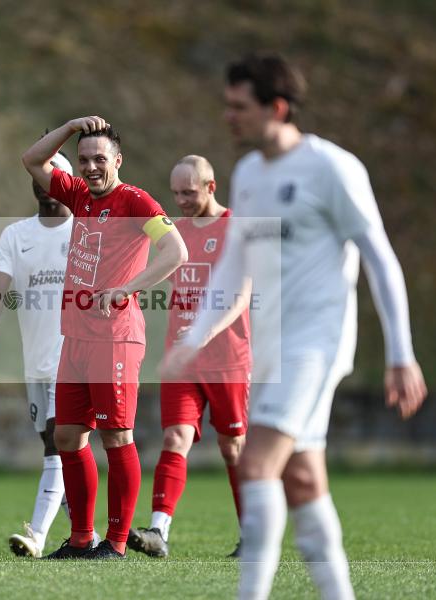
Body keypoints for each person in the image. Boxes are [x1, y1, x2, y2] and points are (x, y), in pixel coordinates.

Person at [161, 53, 428, 599]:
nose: (228, 117)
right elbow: (233, 267)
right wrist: (192, 336)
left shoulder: (332, 168)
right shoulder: (250, 173)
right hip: (271, 350)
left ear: (276, 107)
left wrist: (401, 353)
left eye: (239, 106)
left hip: (317, 345)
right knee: (302, 481)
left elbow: (379, 258)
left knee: (257, 462)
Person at [22, 116, 187, 559]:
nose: (91, 167)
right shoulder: (77, 194)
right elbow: (32, 159)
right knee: (68, 437)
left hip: (115, 337)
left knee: (117, 436)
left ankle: (114, 544)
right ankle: (81, 538)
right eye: (84, 160)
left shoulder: (135, 201)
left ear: (118, 160)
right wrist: (72, 125)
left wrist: (127, 288)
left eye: (100, 159)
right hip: (74, 335)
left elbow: (176, 251)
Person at [0, 152, 100, 557]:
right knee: (53, 442)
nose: (44, 184)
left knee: (57, 444)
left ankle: (38, 535)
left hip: (73, 355)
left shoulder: (84, 231)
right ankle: (86, 531)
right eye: (37, 176)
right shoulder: (16, 235)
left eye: (53, 175)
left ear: (65, 180)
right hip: (36, 362)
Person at [128, 155, 251, 559]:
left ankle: (253, 535)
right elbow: (149, 274)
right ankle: (159, 531)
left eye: (189, 192)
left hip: (228, 357)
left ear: (211, 187)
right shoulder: (175, 234)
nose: (180, 200)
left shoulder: (237, 229)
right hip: (182, 359)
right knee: (174, 437)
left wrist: (209, 332)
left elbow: (241, 294)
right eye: (175, 192)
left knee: (233, 447)